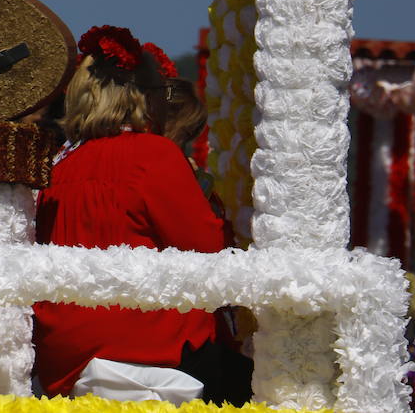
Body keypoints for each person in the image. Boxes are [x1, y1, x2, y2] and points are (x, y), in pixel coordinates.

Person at [32, 25, 251, 404]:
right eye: (160, 92)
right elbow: (207, 248)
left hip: (64, 354)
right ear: (142, 97)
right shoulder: (153, 154)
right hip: (146, 345)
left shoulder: (58, 164)